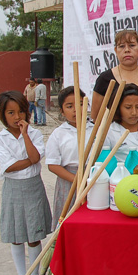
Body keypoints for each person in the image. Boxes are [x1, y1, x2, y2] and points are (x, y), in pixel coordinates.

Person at [0, 91, 52, 275]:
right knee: (16, 235)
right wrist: (29, 161)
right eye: (11, 112)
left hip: (33, 186)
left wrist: (25, 135)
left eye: (21, 112)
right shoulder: (0, 139)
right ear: (2, 114)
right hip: (13, 189)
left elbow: (35, 157)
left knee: (34, 234)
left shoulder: (34, 134)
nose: (17, 117)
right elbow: (8, 166)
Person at [45, 86, 93, 231]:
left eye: (80, 104)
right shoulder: (58, 134)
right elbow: (53, 165)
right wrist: (77, 180)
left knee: (90, 219)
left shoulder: (95, 129)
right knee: (68, 220)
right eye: (69, 106)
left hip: (92, 179)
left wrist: (89, 178)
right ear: (61, 111)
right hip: (68, 181)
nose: (76, 109)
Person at [91, 30, 138, 123]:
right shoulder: (105, 79)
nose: (127, 50)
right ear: (116, 50)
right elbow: (95, 117)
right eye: (121, 46)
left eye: (132, 45)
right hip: (115, 136)